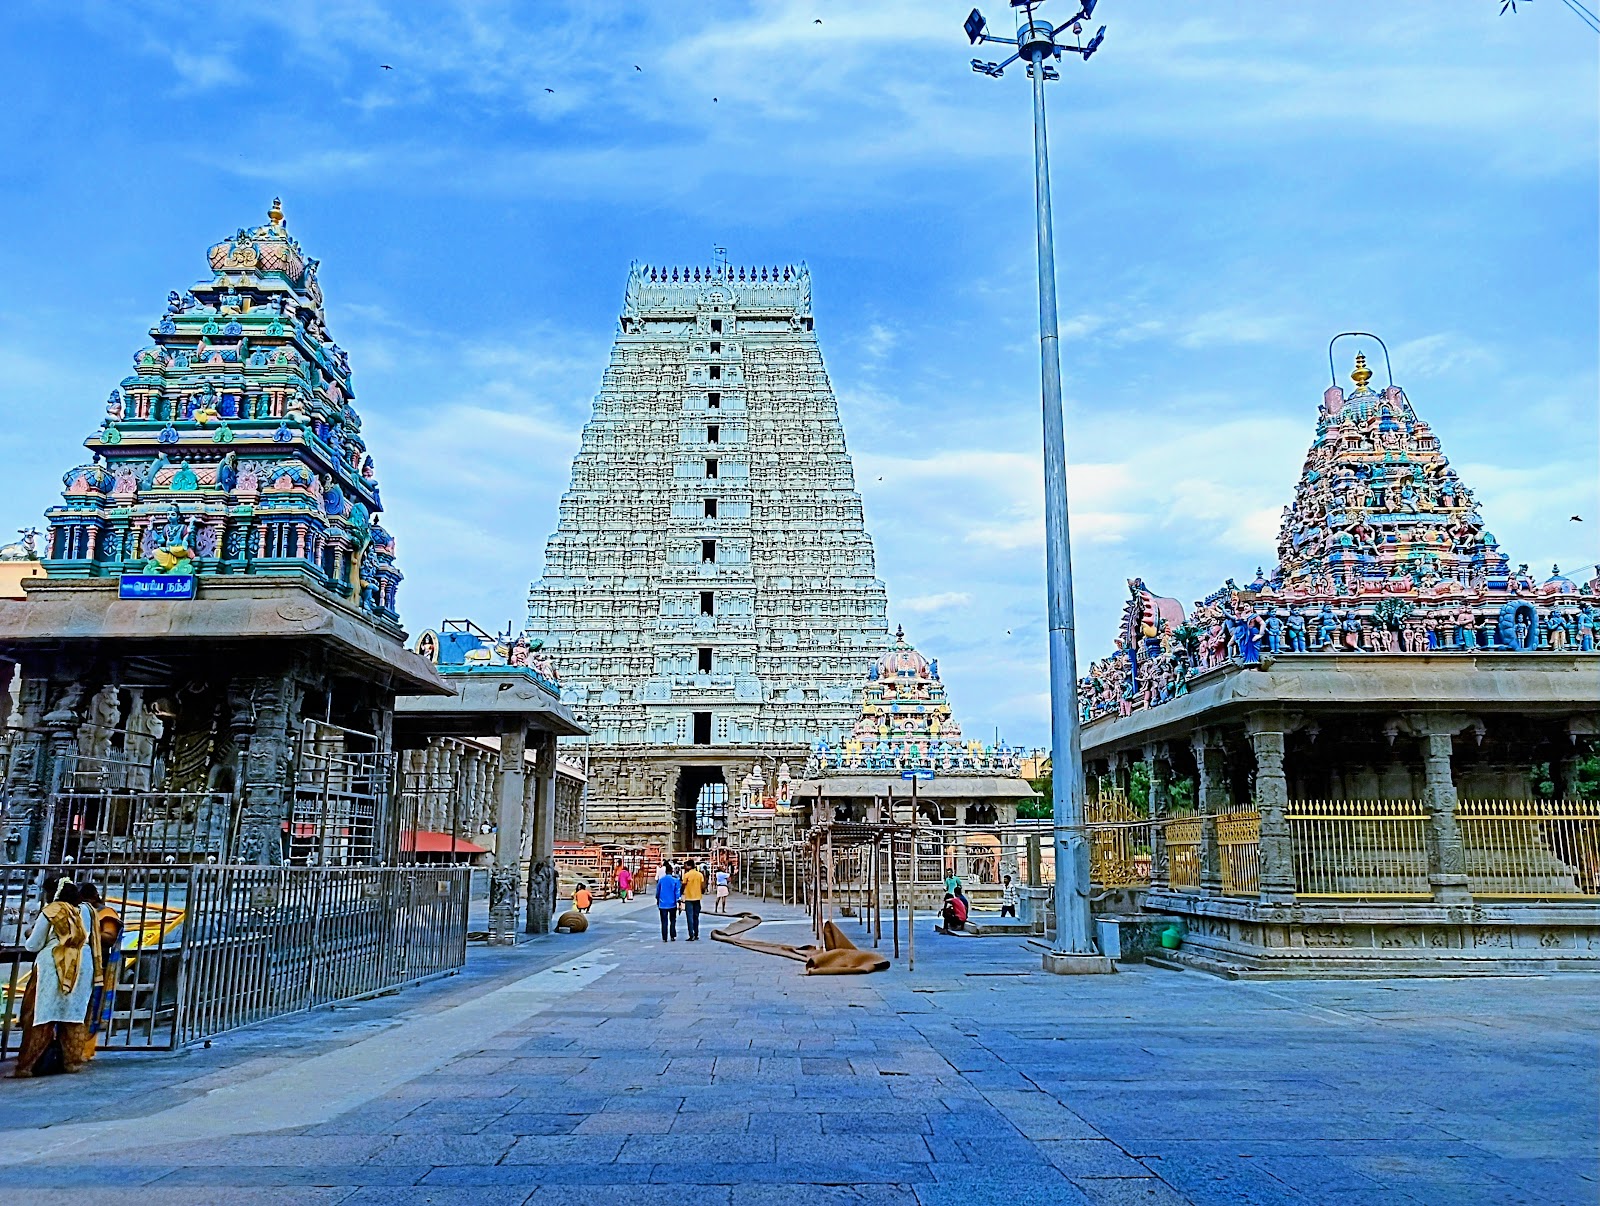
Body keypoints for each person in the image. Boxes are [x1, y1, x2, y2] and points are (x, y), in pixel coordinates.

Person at [13, 876, 100, 1077]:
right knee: (74, 1014)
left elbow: (33, 945)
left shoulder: (52, 910)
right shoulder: (87, 910)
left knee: (41, 1014)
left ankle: (26, 1066)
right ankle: (72, 1063)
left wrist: (29, 933)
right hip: (82, 964)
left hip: (53, 966)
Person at [77, 881, 123, 1060]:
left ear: (94, 897)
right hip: (75, 964)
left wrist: (84, 933)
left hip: (97, 964)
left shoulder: (106, 913)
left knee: (90, 1008)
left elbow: (109, 937)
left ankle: (85, 1048)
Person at [655, 861, 682, 942]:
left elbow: (658, 891)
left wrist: (657, 899)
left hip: (662, 904)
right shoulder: (675, 880)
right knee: (673, 920)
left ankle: (664, 937)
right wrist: (679, 902)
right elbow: (677, 892)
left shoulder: (661, 880)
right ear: (672, 871)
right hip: (672, 903)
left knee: (664, 921)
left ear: (665, 871)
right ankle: (672, 935)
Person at [680, 860, 705, 941]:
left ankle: (691, 935)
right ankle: (696, 933)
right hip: (698, 898)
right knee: (696, 917)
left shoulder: (686, 875)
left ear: (689, 866)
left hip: (689, 898)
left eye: (686, 865)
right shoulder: (700, 875)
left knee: (689, 917)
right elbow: (703, 886)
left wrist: (680, 893)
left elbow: (683, 885)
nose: (684, 867)